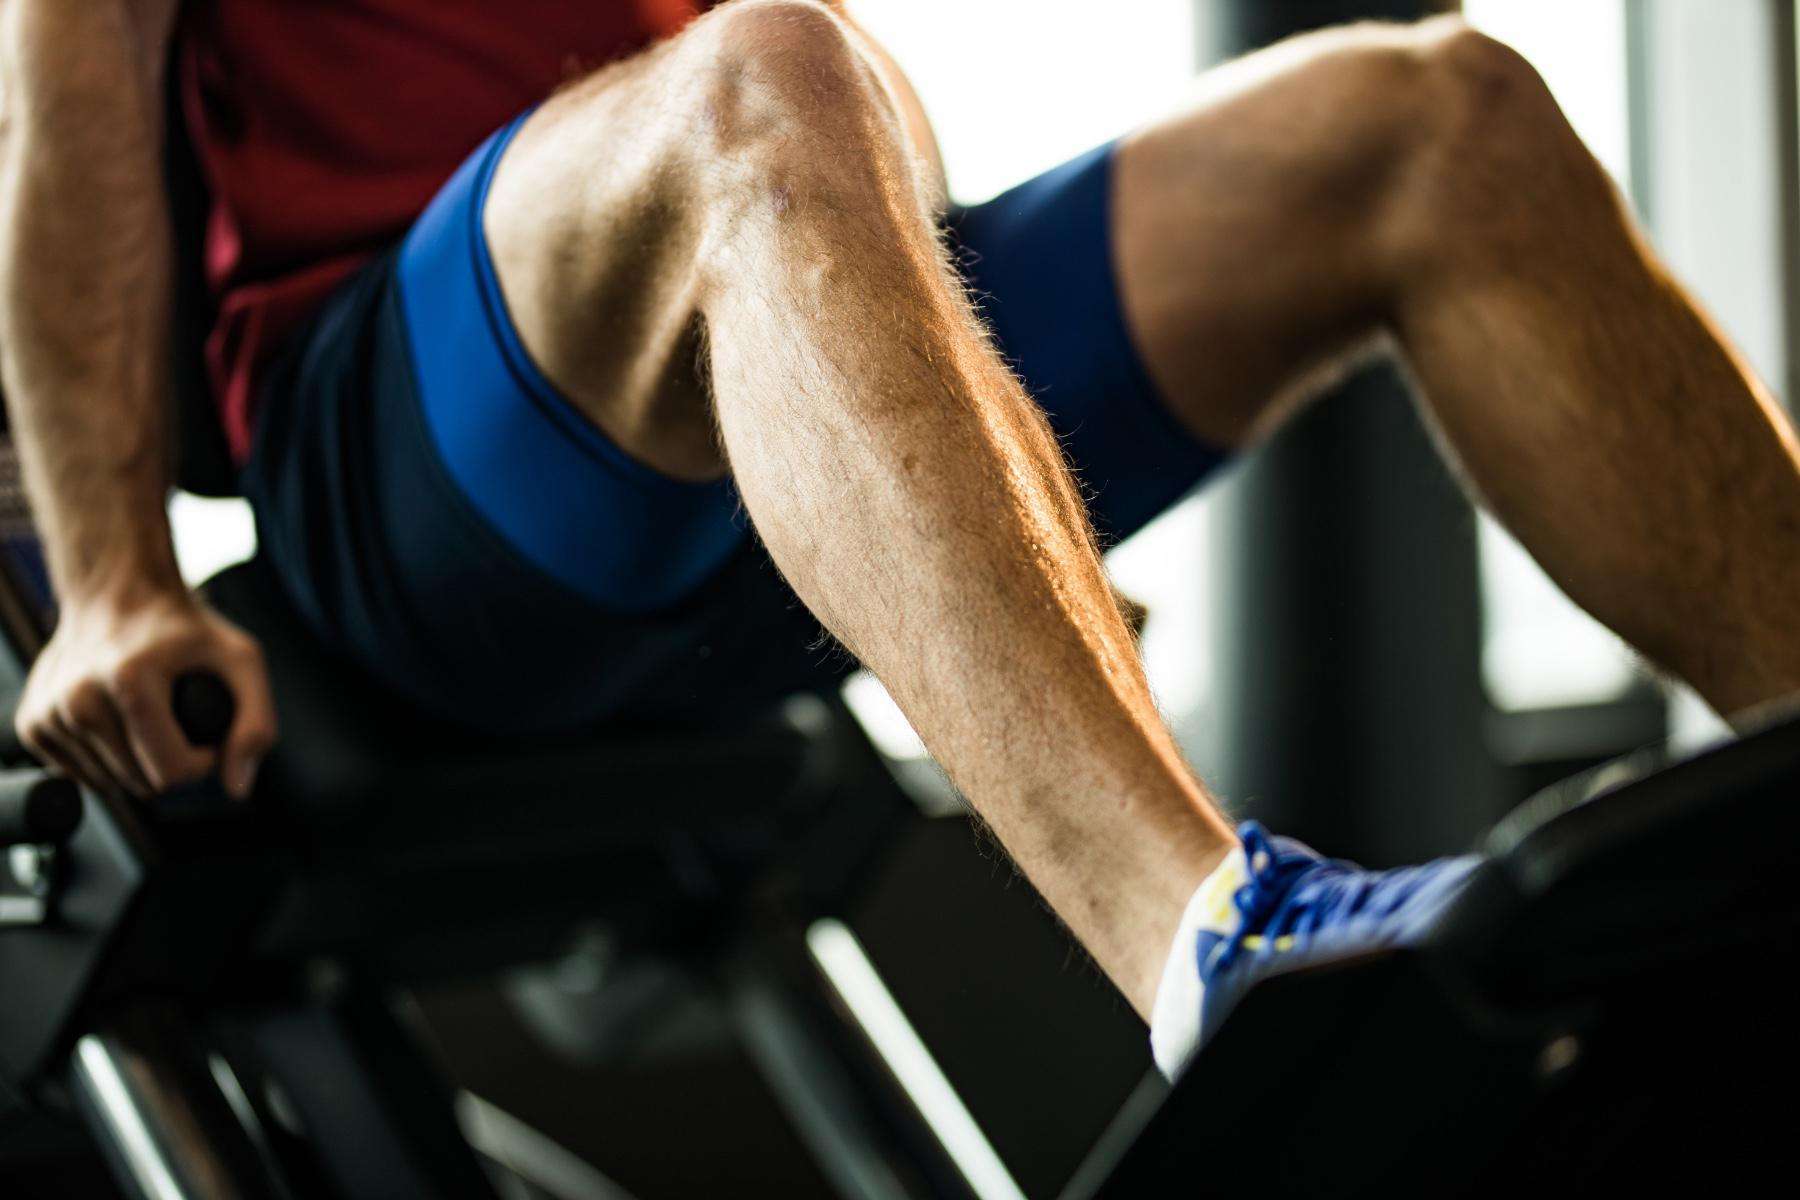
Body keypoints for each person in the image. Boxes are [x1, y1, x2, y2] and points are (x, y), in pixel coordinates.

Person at [3, 0, 1797, 1076]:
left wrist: (973, 501)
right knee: (753, 75)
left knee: (1442, 117)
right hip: (409, 469)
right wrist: (106, 576)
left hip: (730, 377)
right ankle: (1224, 948)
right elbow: (60, 99)